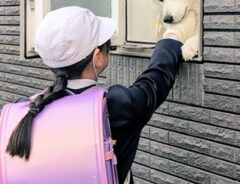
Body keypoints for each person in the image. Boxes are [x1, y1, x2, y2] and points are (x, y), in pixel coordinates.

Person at [0, 6, 197, 184]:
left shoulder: (25, 109)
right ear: (98, 57)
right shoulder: (116, 107)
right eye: (107, 45)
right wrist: (172, 35)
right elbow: (156, 77)